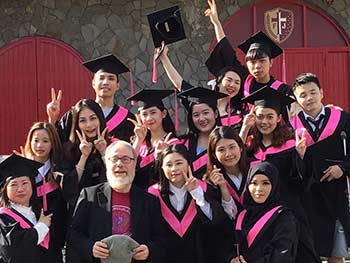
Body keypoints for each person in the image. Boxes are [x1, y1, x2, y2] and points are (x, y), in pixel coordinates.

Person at [66, 140, 165, 263]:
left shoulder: (149, 201)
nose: (119, 164)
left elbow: (161, 239)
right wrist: (90, 248)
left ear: (134, 164)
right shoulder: (89, 195)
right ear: (106, 163)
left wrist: (149, 250)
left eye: (125, 159)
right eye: (114, 159)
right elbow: (74, 234)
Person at [290, 73, 350, 263]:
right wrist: (298, 156)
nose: (309, 98)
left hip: (338, 194)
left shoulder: (343, 119)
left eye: (313, 92)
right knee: (311, 252)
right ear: (297, 100)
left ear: (322, 93)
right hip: (309, 197)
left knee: (336, 252)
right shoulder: (291, 127)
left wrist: (343, 167)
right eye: (302, 95)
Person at [204, 0, 294, 123]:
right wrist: (217, 23)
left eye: (262, 61)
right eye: (252, 62)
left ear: (271, 62)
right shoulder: (243, 79)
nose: (257, 66)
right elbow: (226, 51)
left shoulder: (283, 90)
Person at [148, 144, 227, 263]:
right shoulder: (152, 195)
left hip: (199, 256)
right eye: (169, 165)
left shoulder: (204, 189)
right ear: (162, 168)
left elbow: (216, 221)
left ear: (188, 164)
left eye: (179, 163)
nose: (174, 169)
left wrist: (196, 193)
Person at [47, 54, 136, 143]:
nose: (105, 82)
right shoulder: (75, 114)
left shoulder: (128, 119)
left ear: (117, 85)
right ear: (93, 83)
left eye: (111, 78)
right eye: (101, 78)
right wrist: (52, 119)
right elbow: (58, 142)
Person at [228, 161, 298, 263]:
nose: (259, 189)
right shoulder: (243, 215)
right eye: (254, 183)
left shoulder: (283, 217)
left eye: (265, 183)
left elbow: (282, 255)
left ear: (274, 185)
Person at [20, 122, 67, 263]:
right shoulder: (21, 170)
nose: (40, 146)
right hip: (29, 235)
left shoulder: (60, 169)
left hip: (55, 237)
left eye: (45, 141)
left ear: (53, 143)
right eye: (36, 140)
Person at [0, 154, 53, 263]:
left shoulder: (39, 212)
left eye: (25, 183)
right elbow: (14, 252)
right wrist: (42, 226)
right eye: (13, 184)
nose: (20, 189)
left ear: (32, 185)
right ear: (5, 190)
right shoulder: (3, 218)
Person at [59, 99, 109, 211]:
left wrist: (103, 153)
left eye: (93, 118)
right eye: (82, 121)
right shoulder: (68, 150)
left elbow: (117, 180)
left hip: (107, 211)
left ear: (100, 119)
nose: (89, 125)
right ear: (76, 124)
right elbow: (69, 188)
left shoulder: (113, 147)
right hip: (79, 212)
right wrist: (84, 156)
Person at [126, 88, 179, 189]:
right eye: (144, 114)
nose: (149, 118)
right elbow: (128, 167)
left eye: (153, 112)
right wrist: (138, 140)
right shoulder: (138, 142)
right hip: (137, 196)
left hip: (161, 195)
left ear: (163, 113)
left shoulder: (173, 143)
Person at [177, 86, 227, 179]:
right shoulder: (183, 143)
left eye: (205, 113)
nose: (201, 118)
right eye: (196, 115)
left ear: (216, 114)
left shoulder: (225, 141)